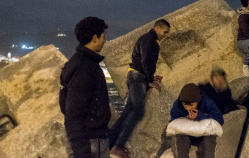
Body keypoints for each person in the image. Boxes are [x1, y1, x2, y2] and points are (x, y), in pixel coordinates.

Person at [109, 19, 170, 157]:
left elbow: (145, 62)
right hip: (137, 78)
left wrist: (152, 77)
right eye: (165, 32)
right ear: (158, 28)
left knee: (128, 111)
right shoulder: (149, 40)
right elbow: (145, 60)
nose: (165, 35)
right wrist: (149, 81)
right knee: (138, 111)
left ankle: (110, 142)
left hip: (136, 76)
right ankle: (118, 146)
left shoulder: (149, 41)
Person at [60, 17, 110, 158]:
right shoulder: (84, 67)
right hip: (90, 143)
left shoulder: (83, 62)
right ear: (95, 37)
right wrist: (82, 153)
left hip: (94, 139)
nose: (105, 41)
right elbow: (73, 114)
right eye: (103, 36)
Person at [170, 83, 224, 158]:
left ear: (198, 101)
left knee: (210, 137)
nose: (188, 108)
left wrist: (201, 116)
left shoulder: (206, 101)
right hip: (187, 134)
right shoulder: (178, 104)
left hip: (203, 133)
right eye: (185, 104)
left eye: (191, 105)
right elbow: (172, 124)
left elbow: (219, 120)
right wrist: (184, 121)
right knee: (181, 137)